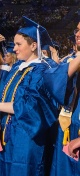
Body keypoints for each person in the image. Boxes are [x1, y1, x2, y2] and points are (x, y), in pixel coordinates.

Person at [0, 16, 60, 176]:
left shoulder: (43, 70)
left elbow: (29, 106)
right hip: (5, 131)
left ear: (33, 45)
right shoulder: (18, 66)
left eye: (18, 44)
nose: (14, 49)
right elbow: (1, 91)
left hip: (26, 136)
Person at [44, 21, 80, 176]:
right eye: (77, 30)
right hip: (67, 127)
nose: (77, 35)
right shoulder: (75, 60)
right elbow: (53, 83)